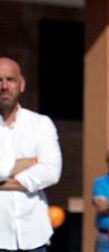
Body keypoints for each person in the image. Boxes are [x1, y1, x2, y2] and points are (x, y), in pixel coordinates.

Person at [0, 57, 62, 252]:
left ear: (22, 84)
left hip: (34, 236)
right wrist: (22, 164)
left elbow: (51, 171)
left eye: (10, 79)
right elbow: (39, 170)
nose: (4, 86)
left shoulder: (41, 124)